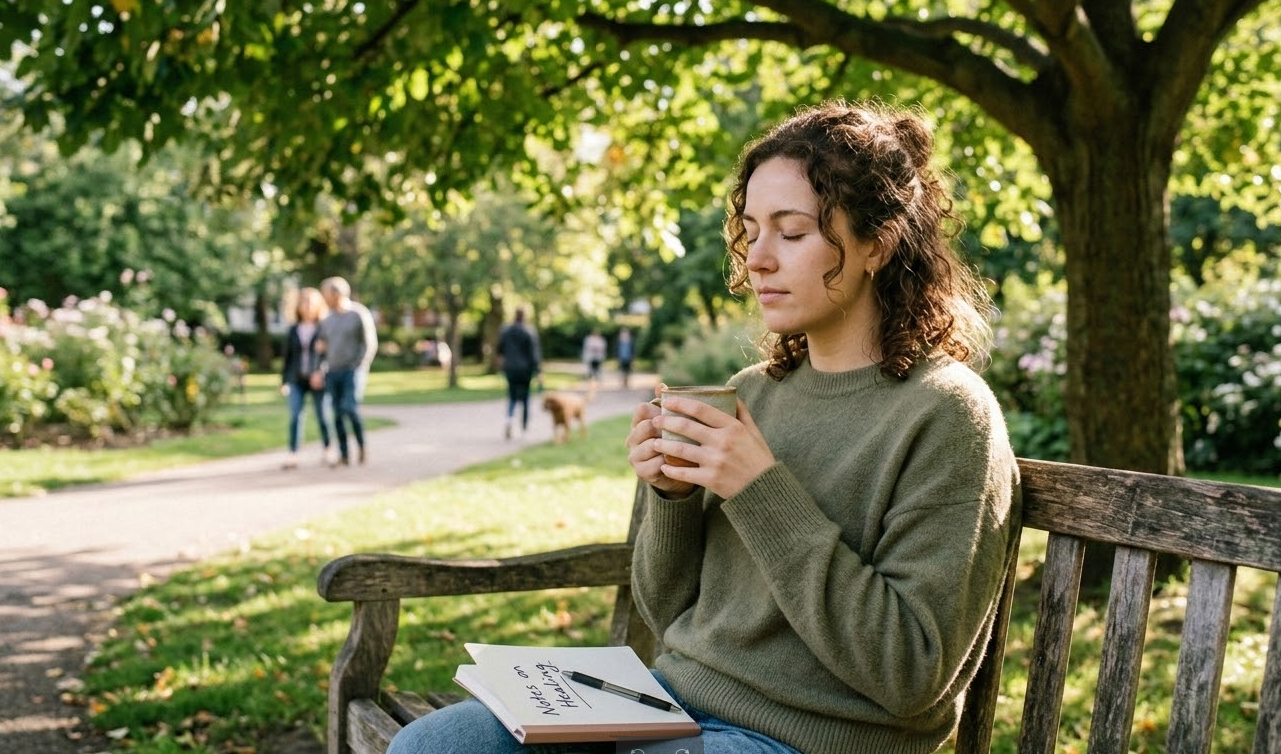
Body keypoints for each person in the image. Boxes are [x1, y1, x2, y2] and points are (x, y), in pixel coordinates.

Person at [385, 100, 1019, 754]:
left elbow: (911, 672)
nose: (758, 260)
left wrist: (759, 488)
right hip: (669, 706)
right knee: (429, 746)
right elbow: (667, 613)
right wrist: (673, 499)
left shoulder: (946, 416)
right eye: (751, 230)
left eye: (792, 232)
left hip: (811, 741)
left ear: (876, 247)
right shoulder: (749, 396)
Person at [317, 276, 377, 467]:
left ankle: (361, 446)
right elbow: (322, 347)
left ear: (337, 293)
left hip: (353, 370)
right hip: (333, 371)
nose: (324, 298)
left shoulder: (359, 314)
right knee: (337, 414)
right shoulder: (327, 319)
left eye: (326, 294)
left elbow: (369, 344)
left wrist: (359, 365)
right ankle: (344, 454)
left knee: (350, 408)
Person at [279, 287, 333, 468]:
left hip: (318, 379)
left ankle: (328, 449)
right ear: (299, 306)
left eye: (311, 302)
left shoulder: (324, 328)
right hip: (297, 379)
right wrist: (284, 381)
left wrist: (321, 372)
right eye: (304, 302)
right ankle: (293, 453)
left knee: (322, 415)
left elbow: (329, 356)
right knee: (295, 416)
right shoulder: (293, 329)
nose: (308, 306)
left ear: (318, 305)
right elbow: (287, 358)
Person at [496, 307, 541, 440]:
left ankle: (509, 419)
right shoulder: (529, 332)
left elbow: (500, 350)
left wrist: (502, 365)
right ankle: (524, 425)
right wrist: (538, 371)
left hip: (510, 368)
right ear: (524, 316)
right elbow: (533, 354)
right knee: (526, 396)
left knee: (512, 395)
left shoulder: (506, 331)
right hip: (525, 369)